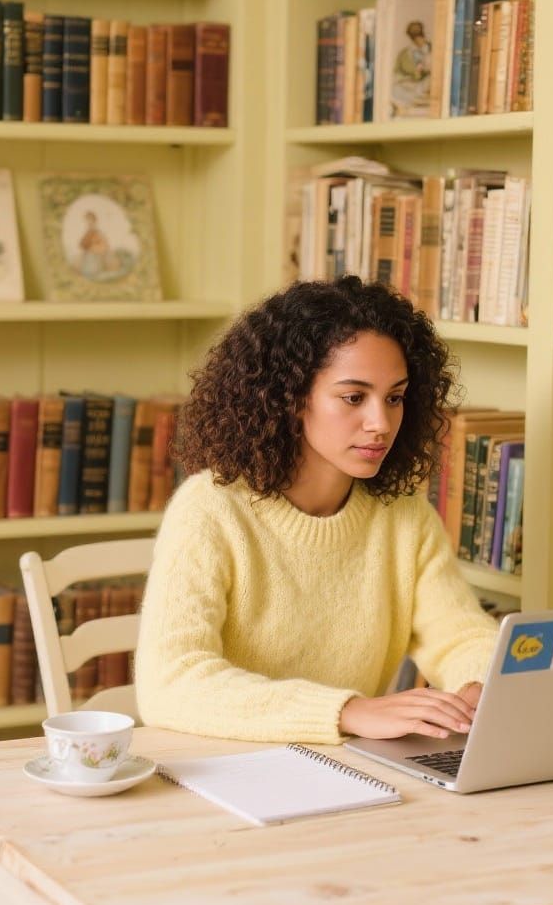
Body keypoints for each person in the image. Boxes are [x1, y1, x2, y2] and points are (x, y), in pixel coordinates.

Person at [135, 277, 498, 745]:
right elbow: (170, 685)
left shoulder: (403, 515)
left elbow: (463, 637)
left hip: (347, 772)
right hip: (220, 771)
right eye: (353, 397)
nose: (380, 424)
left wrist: (477, 687)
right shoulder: (209, 510)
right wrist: (348, 712)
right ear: (290, 396)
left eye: (394, 397)